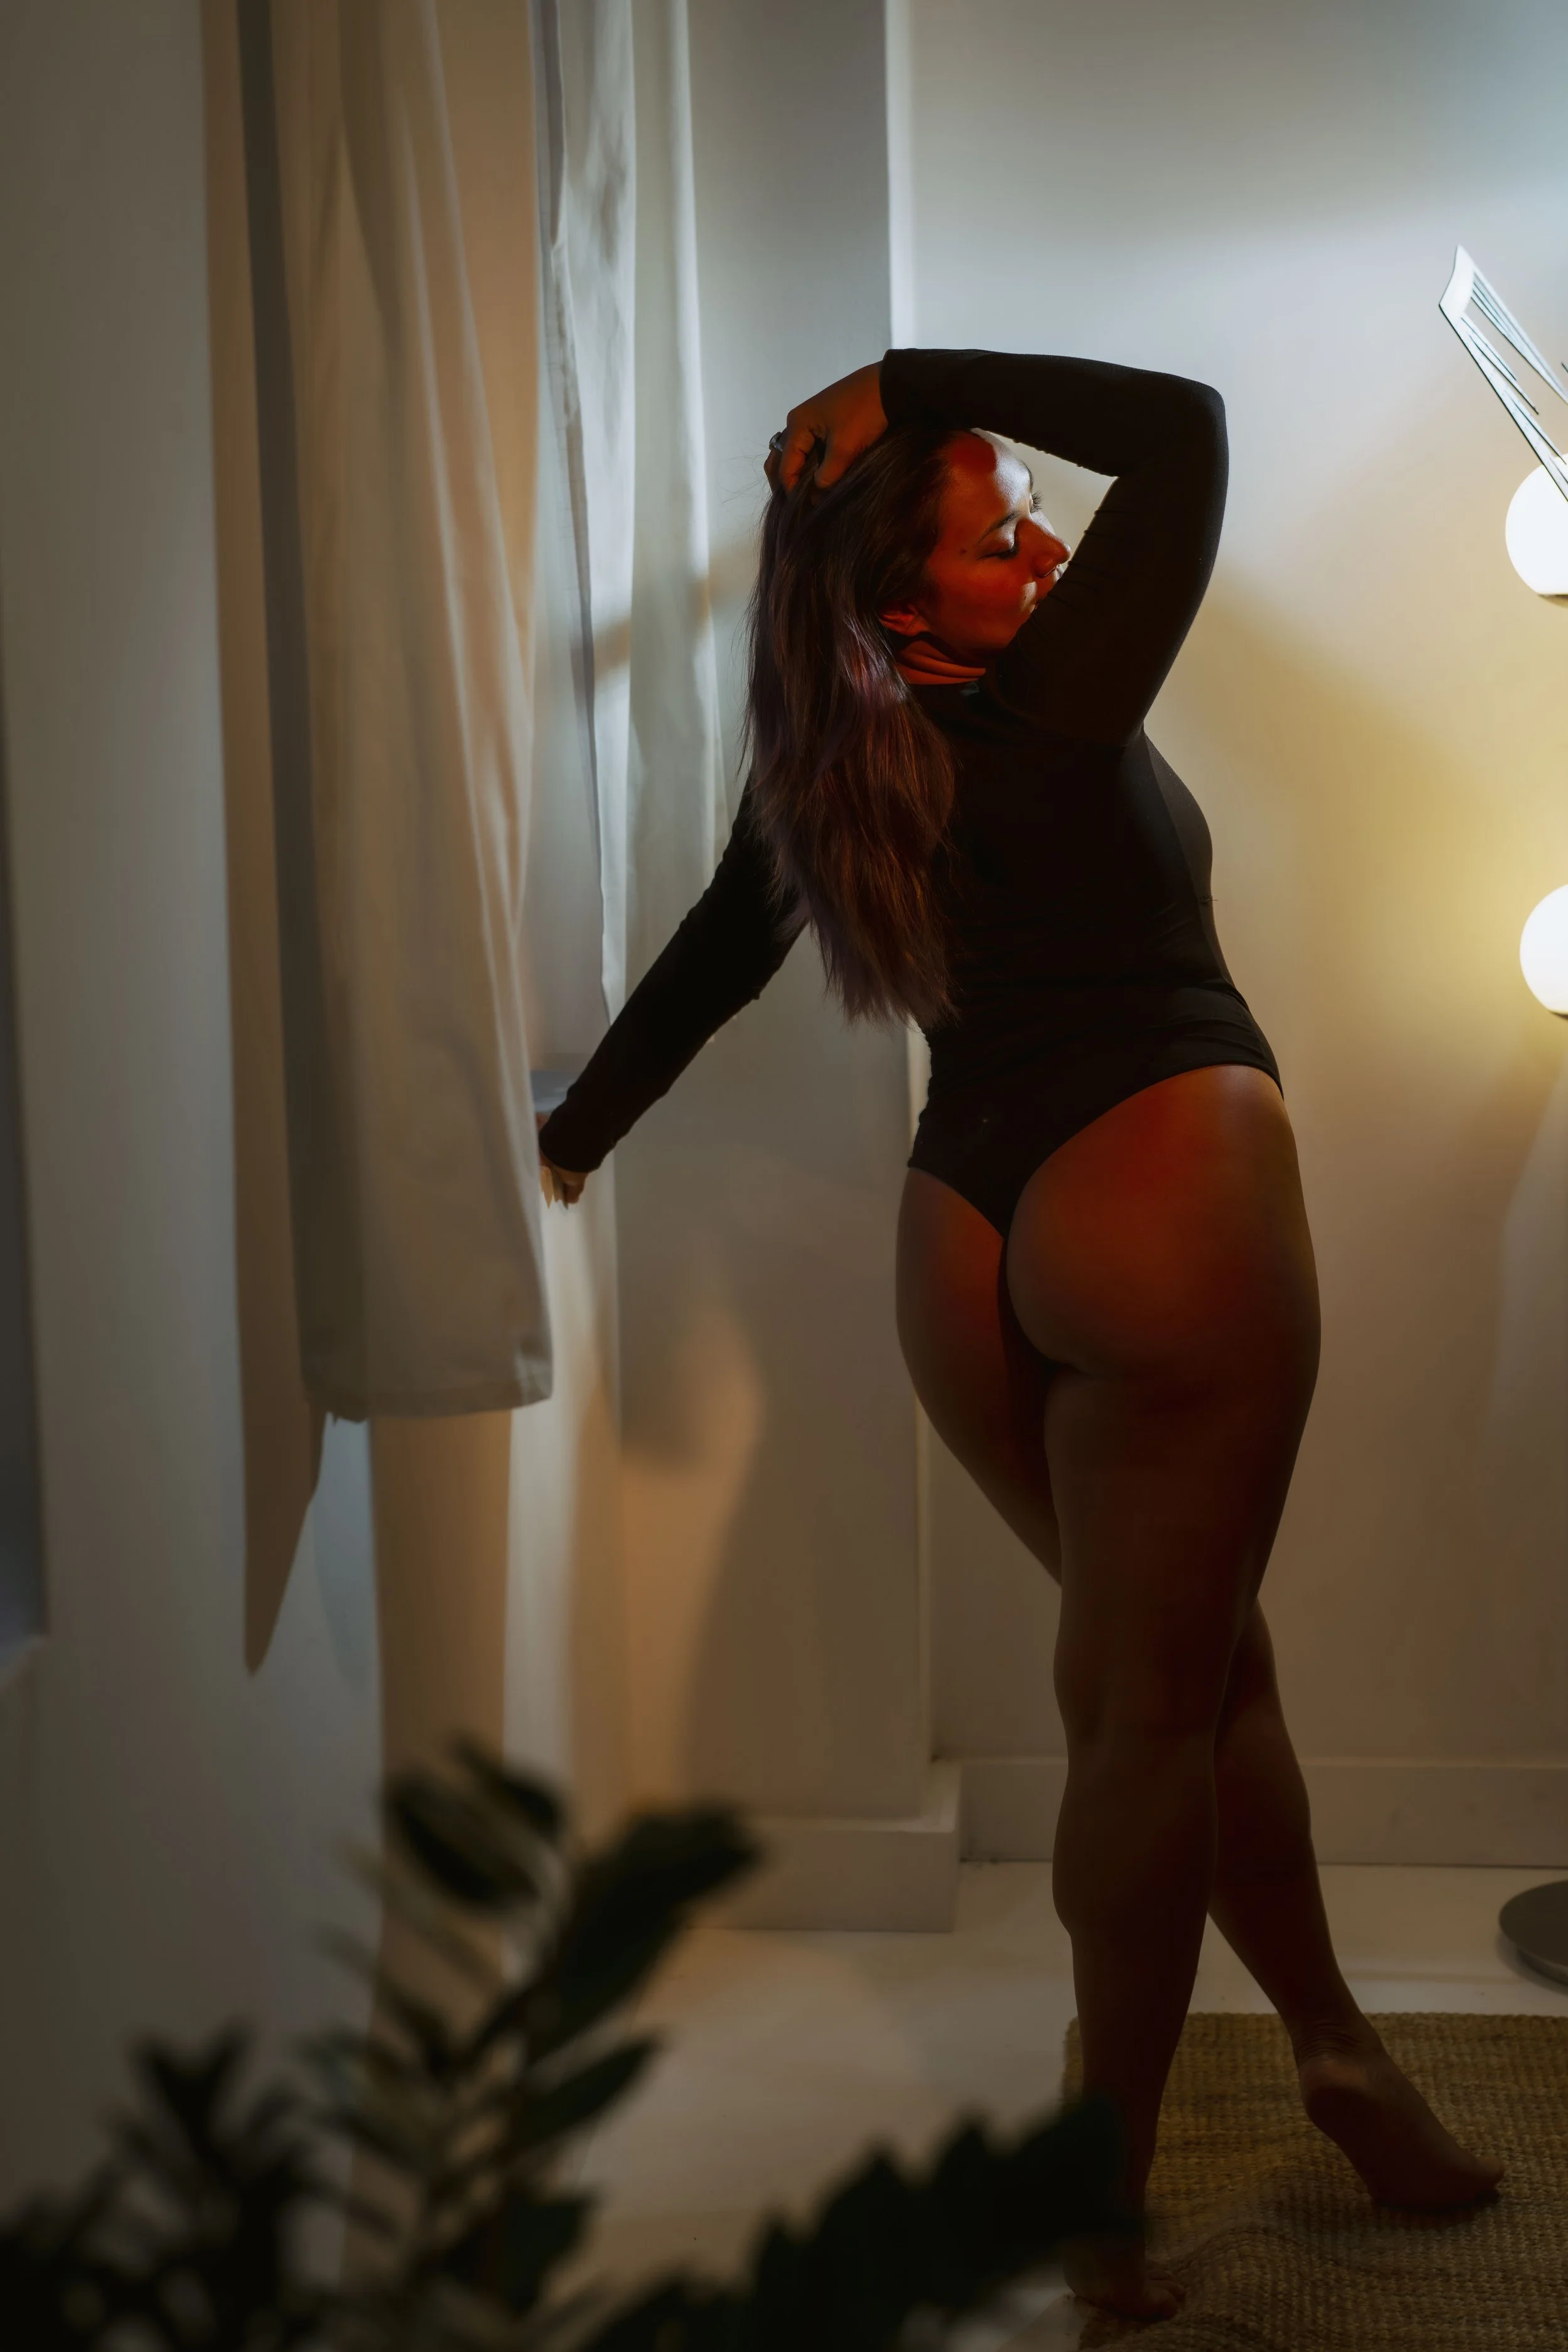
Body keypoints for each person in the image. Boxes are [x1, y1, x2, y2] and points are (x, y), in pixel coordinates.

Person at [535, 350, 1502, 2323]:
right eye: (1001, 533)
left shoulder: (840, 756)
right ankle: (1102, 2201)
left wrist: (571, 1136)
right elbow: (1188, 430)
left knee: (1192, 1671)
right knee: (1150, 1706)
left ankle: (1334, 2050)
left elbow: (722, 948)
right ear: (904, 604)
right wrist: (905, 379)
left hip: (961, 1234)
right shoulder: (1058, 705)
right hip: (1157, 1203)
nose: (1049, 550)